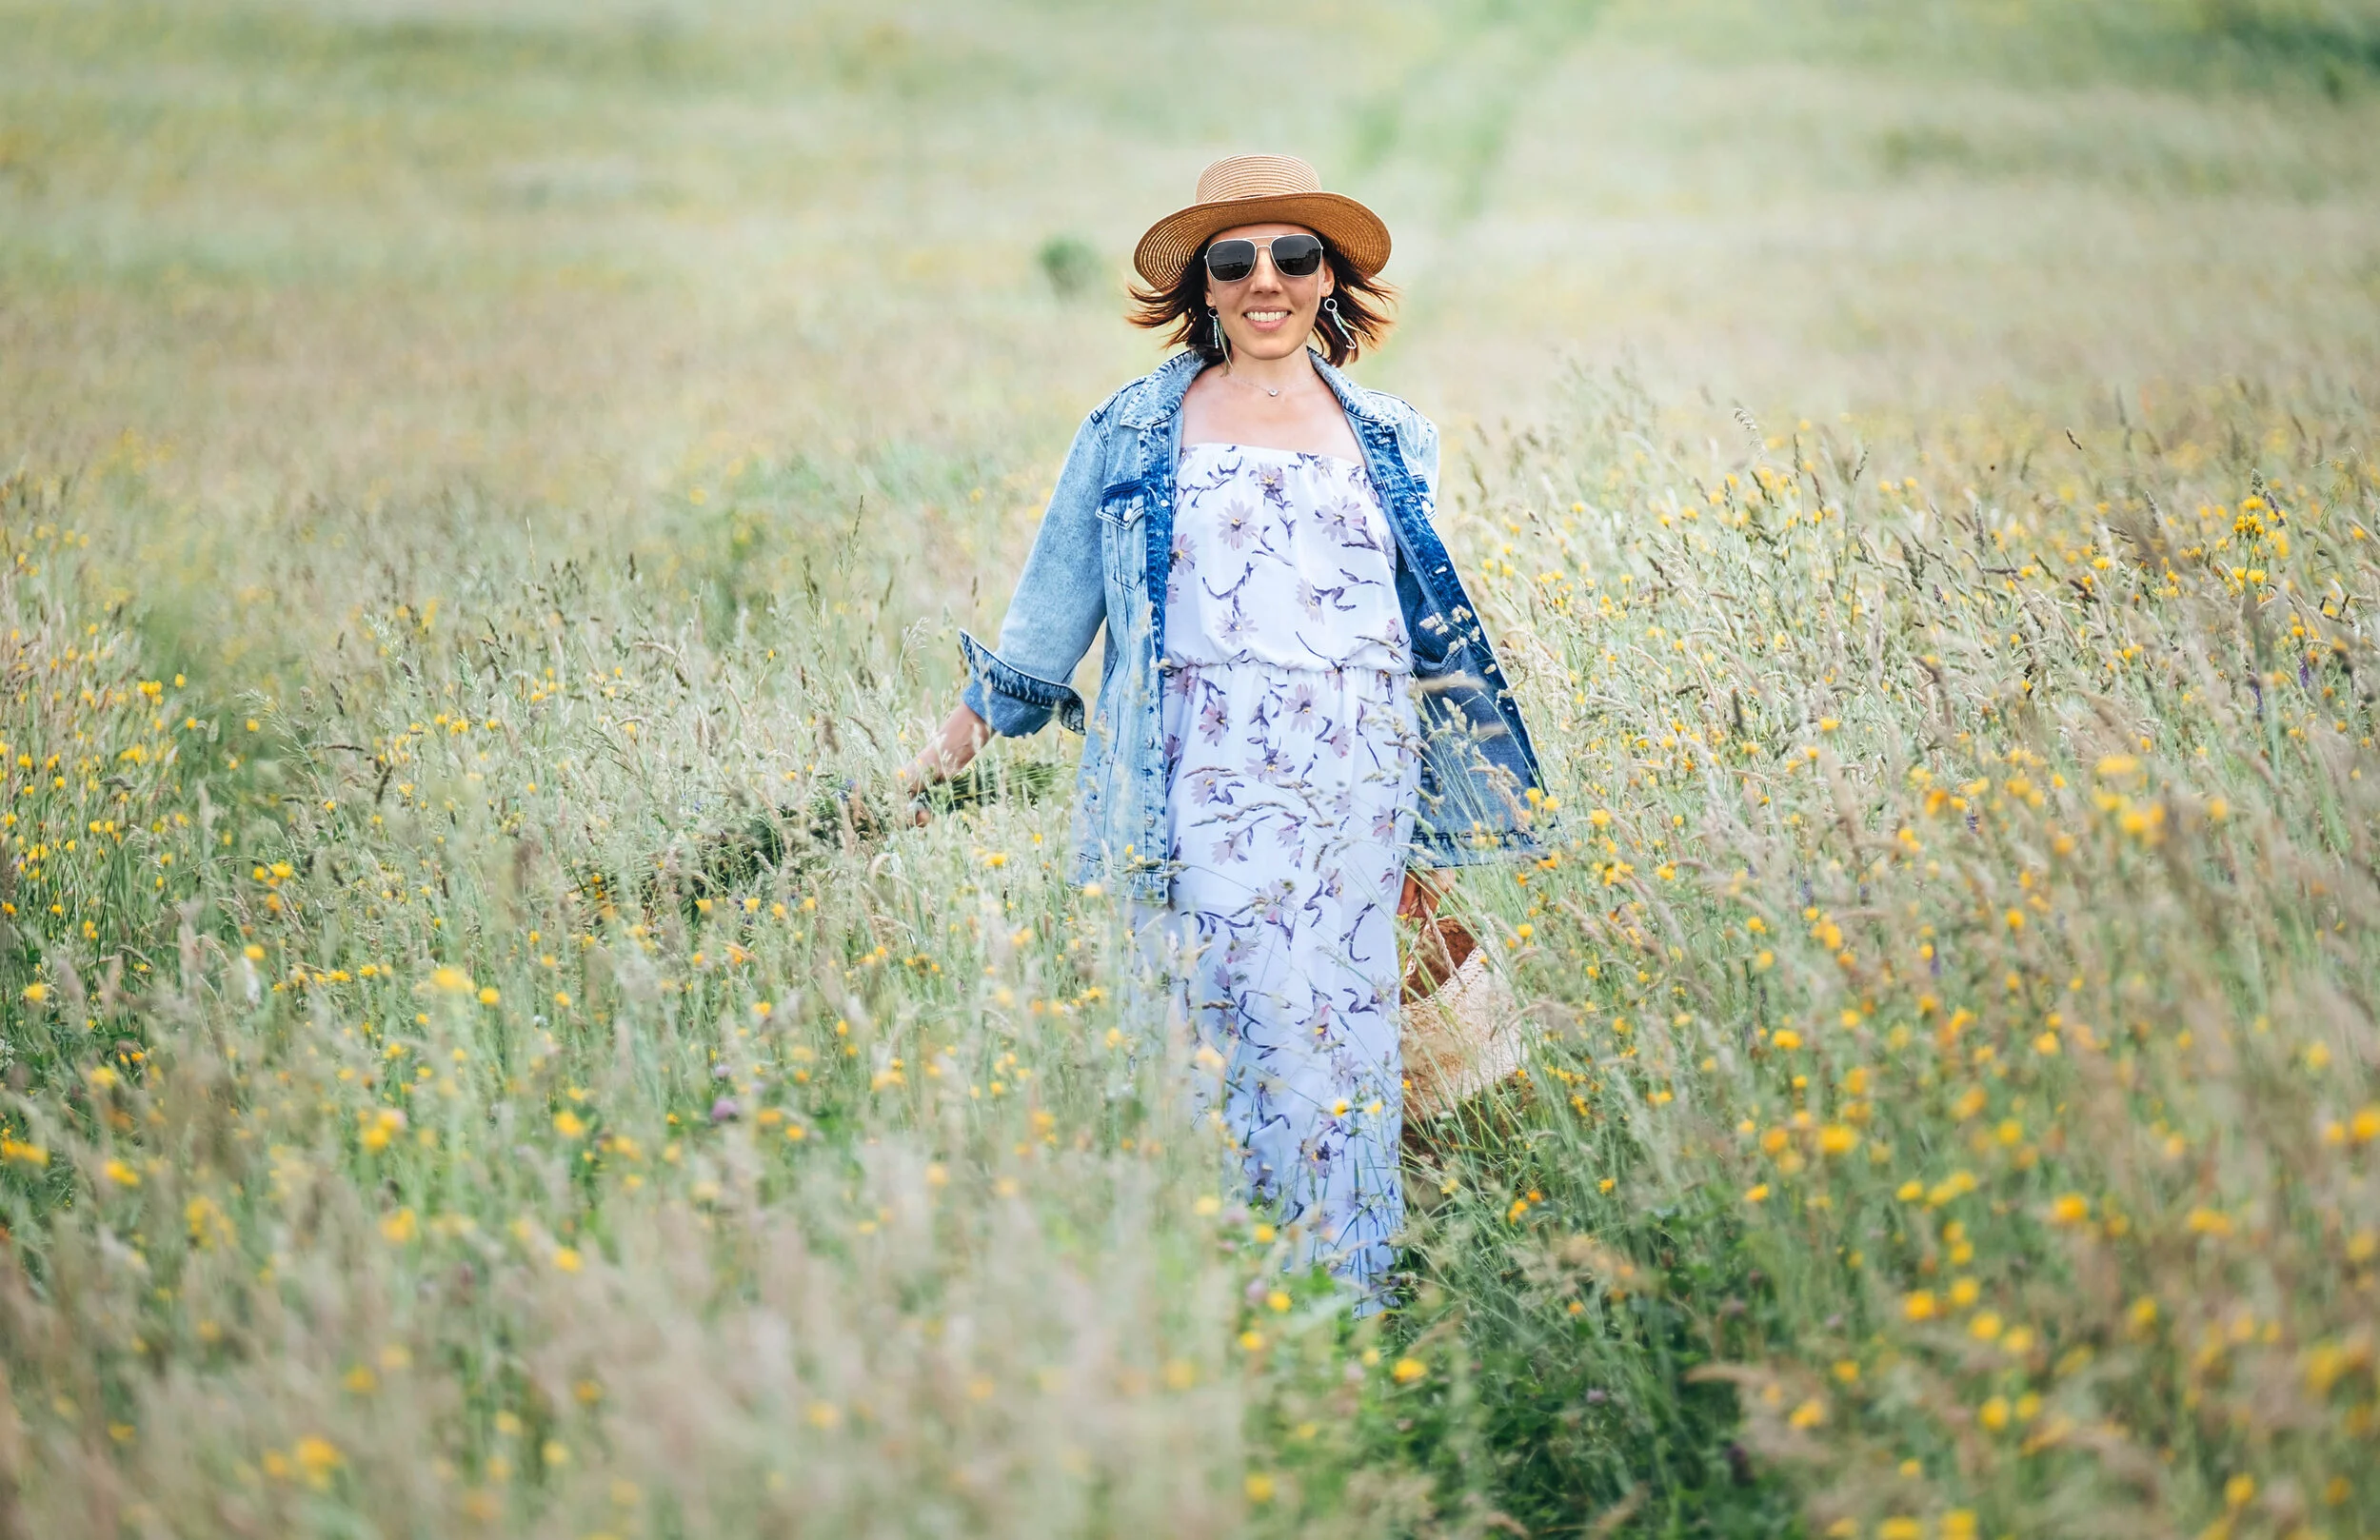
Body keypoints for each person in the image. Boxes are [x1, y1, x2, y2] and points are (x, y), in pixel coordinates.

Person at [899, 154, 1549, 1307]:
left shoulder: (1395, 435)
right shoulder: (1131, 428)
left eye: (1294, 256)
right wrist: (939, 753)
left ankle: (1348, 1308)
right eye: (1234, 259)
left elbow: (1420, 633)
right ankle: (1220, 1312)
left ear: (1329, 279)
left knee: (1342, 1047)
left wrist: (1439, 816)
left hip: (1354, 796)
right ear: (1200, 284)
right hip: (1189, 786)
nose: (1266, 280)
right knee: (1207, 1038)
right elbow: (1047, 617)